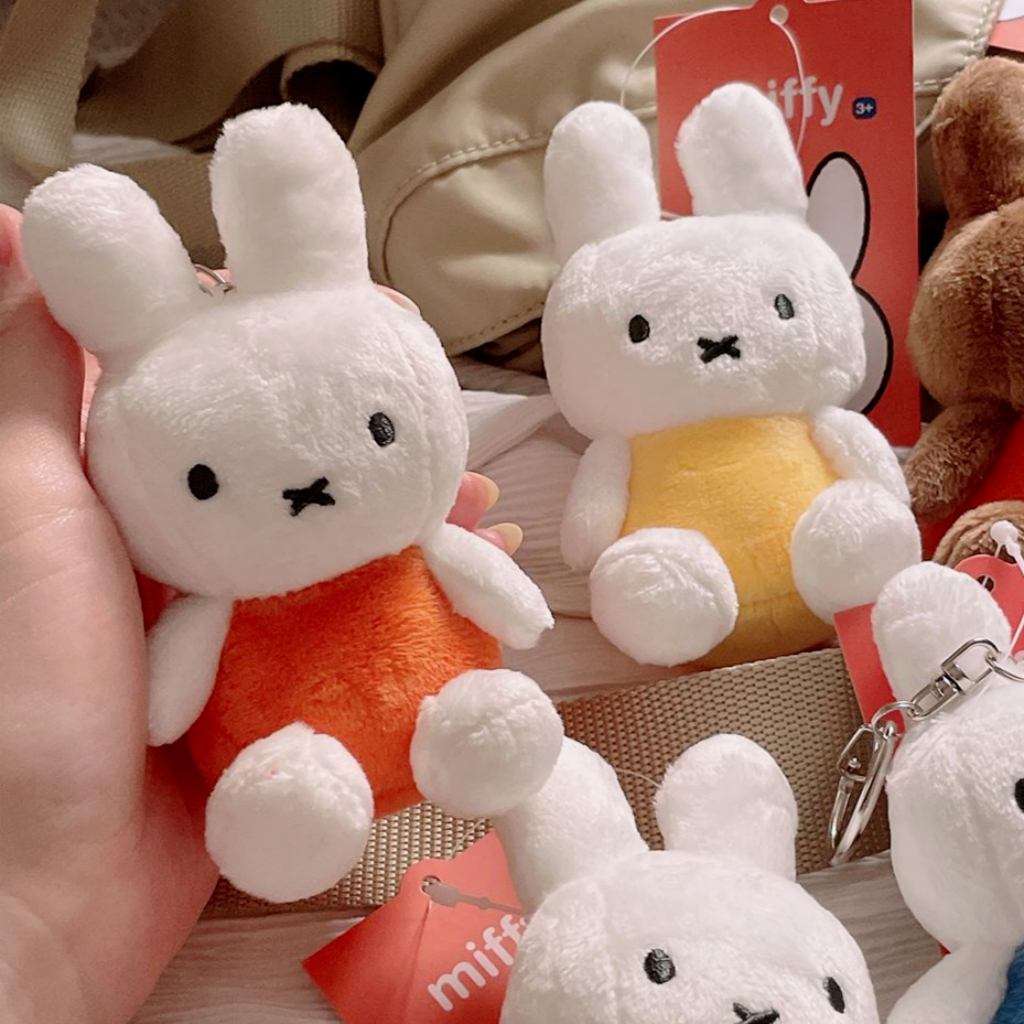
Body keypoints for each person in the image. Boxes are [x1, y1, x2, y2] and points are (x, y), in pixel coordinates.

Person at [0, 205, 518, 1023]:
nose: (307, 489)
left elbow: (491, 585)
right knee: (292, 779)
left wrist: (41, 915)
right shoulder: (209, 594)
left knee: (484, 711)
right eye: (203, 481)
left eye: (379, 426)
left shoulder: (406, 539)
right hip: (280, 746)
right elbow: (161, 703)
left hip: (427, 693)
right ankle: (294, 814)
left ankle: (477, 733)